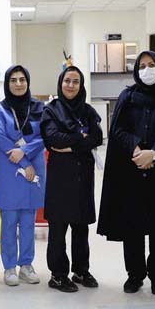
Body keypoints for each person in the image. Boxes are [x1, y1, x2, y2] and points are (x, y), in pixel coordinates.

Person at [98, 51, 155, 295]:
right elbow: (118, 130)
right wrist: (137, 148)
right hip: (131, 173)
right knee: (133, 227)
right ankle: (135, 275)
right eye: (142, 66)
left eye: (151, 65)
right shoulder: (128, 97)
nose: (146, 70)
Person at [41, 66, 103, 293]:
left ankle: (81, 270)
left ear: (81, 85)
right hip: (60, 178)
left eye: (76, 81)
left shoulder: (87, 111)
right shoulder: (51, 110)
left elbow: (97, 137)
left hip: (82, 176)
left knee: (81, 226)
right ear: (61, 83)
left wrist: (72, 145)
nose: (71, 85)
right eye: (67, 81)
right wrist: (79, 137)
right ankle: (58, 275)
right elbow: (53, 139)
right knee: (58, 228)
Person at [0, 65, 45, 287]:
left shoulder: (39, 107)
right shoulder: (0, 109)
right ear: (7, 83)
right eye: (13, 80)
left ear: (28, 82)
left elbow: (45, 135)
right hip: (10, 169)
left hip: (34, 168)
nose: (18, 83)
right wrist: (23, 161)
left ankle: (26, 265)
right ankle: (9, 267)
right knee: (9, 221)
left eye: (22, 79)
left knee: (28, 221)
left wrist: (25, 152)